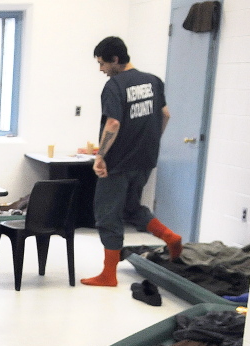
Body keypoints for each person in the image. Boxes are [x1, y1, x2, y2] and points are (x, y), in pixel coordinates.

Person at [81, 36, 182, 288]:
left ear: (115, 60)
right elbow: (165, 114)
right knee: (130, 207)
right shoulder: (154, 81)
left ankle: (108, 274)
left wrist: (100, 156)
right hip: (145, 158)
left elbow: (113, 123)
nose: (101, 69)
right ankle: (169, 236)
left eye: (102, 63)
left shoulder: (114, 85)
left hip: (118, 162)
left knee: (107, 214)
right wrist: (149, 141)